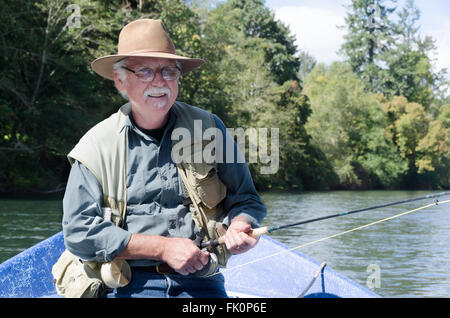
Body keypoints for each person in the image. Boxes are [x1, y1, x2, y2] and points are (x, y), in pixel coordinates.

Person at [61, 18, 266, 298]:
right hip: (129, 284)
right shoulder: (95, 146)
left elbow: (247, 199)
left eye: (169, 71)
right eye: (145, 71)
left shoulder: (210, 128)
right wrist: (162, 248)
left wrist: (241, 224)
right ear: (120, 80)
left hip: (203, 279)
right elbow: (78, 232)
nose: (159, 82)